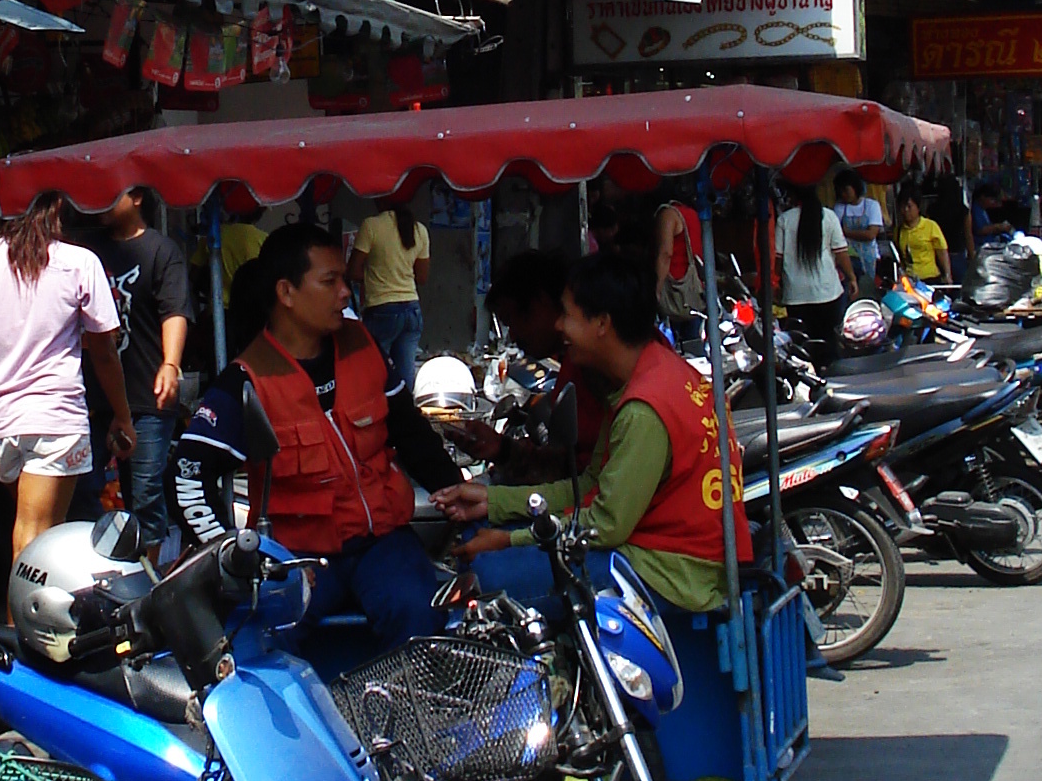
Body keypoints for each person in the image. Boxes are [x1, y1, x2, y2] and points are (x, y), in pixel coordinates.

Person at [173, 220, 460, 653]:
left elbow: (413, 435)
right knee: (258, 645)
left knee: (421, 617)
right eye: (330, 281)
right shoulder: (247, 380)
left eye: (344, 279)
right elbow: (187, 476)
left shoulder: (363, 346)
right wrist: (237, 555)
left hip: (383, 545)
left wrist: (465, 504)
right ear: (286, 293)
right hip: (294, 559)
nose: (345, 292)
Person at [436, 250, 748, 616]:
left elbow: (604, 524)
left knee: (485, 580)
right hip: (664, 558)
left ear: (602, 323)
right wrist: (495, 502)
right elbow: (589, 486)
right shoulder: (655, 375)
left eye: (568, 315)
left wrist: (508, 539)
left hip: (671, 574)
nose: (559, 326)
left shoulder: (643, 409)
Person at [0, 192, 136, 581]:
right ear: (58, 209)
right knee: (35, 537)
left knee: (32, 527)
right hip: (55, 418)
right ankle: (22, 635)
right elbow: (104, 351)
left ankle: (30, 628)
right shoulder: (78, 262)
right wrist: (123, 414)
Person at [96, 184, 193, 549]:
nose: (101, 202)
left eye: (111, 194)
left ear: (137, 198)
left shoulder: (161, 250)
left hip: (146, 396)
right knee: (90, 489)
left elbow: (175, 311)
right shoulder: (89, 250)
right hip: (96, 397)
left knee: (145, 493)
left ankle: (150, 580)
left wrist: (170, 363)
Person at [468, 248, 604, 472]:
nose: (512, 335)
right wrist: (504, 450)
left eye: (512, 320)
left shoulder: (599, 370)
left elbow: (582, 477)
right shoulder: (575, 365)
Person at [349, 200, 430, 383]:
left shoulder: (371, 225)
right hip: (412, 310)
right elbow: (422, 277)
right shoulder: (419, 230)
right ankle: (405, 409)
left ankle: (379, 410)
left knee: (373, 370)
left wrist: (375, 277)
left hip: (381, 309)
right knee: (405, 373)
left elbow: (353, 270)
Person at [775, 183, 853, 352]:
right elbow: (841, 254)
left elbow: (778, 261)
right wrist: (852, 277)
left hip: (796, 295)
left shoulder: (784, 220)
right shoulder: (829, 217)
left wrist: (779, 283)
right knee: (829, 341)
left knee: (802, 344)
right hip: (827, 292)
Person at [894, 187, 950, 287]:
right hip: (909, 281)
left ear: (918, 207)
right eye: (902, 207)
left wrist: (947, 274)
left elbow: (942, 251)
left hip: (930, 279)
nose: (905, 210)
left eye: (909, 206)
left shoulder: (930, 226)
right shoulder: (898, 231)